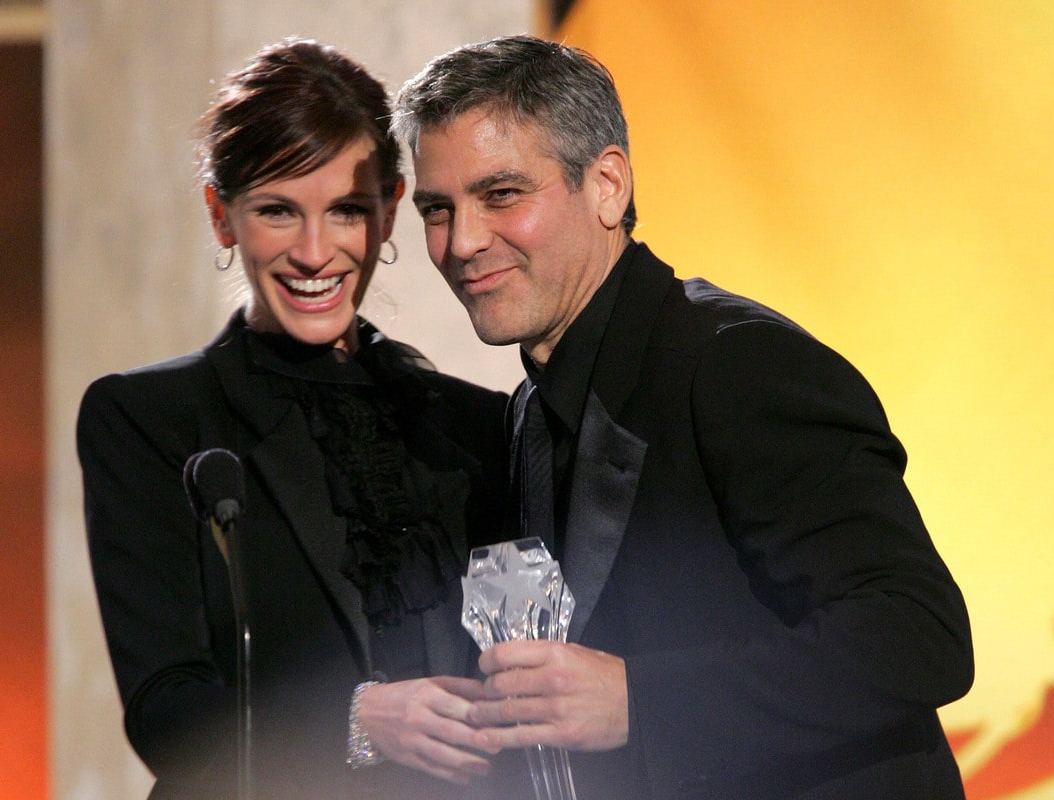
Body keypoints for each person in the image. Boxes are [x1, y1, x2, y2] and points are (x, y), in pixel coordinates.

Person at [393, 34, 974, 800]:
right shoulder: (535, 405)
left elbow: (919, 636)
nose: (462, 242)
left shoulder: (737, 364)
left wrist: (641, 704)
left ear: (607, 186)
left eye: (501, 194)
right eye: (438, 209)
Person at [77, 39, 506, 799]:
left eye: (346, 211)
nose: (315, 252)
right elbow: (167, 717)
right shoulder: (149, 421)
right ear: (222, 216)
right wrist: (357, 721)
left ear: (389, 212)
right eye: (278, 211)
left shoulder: (481, 428)